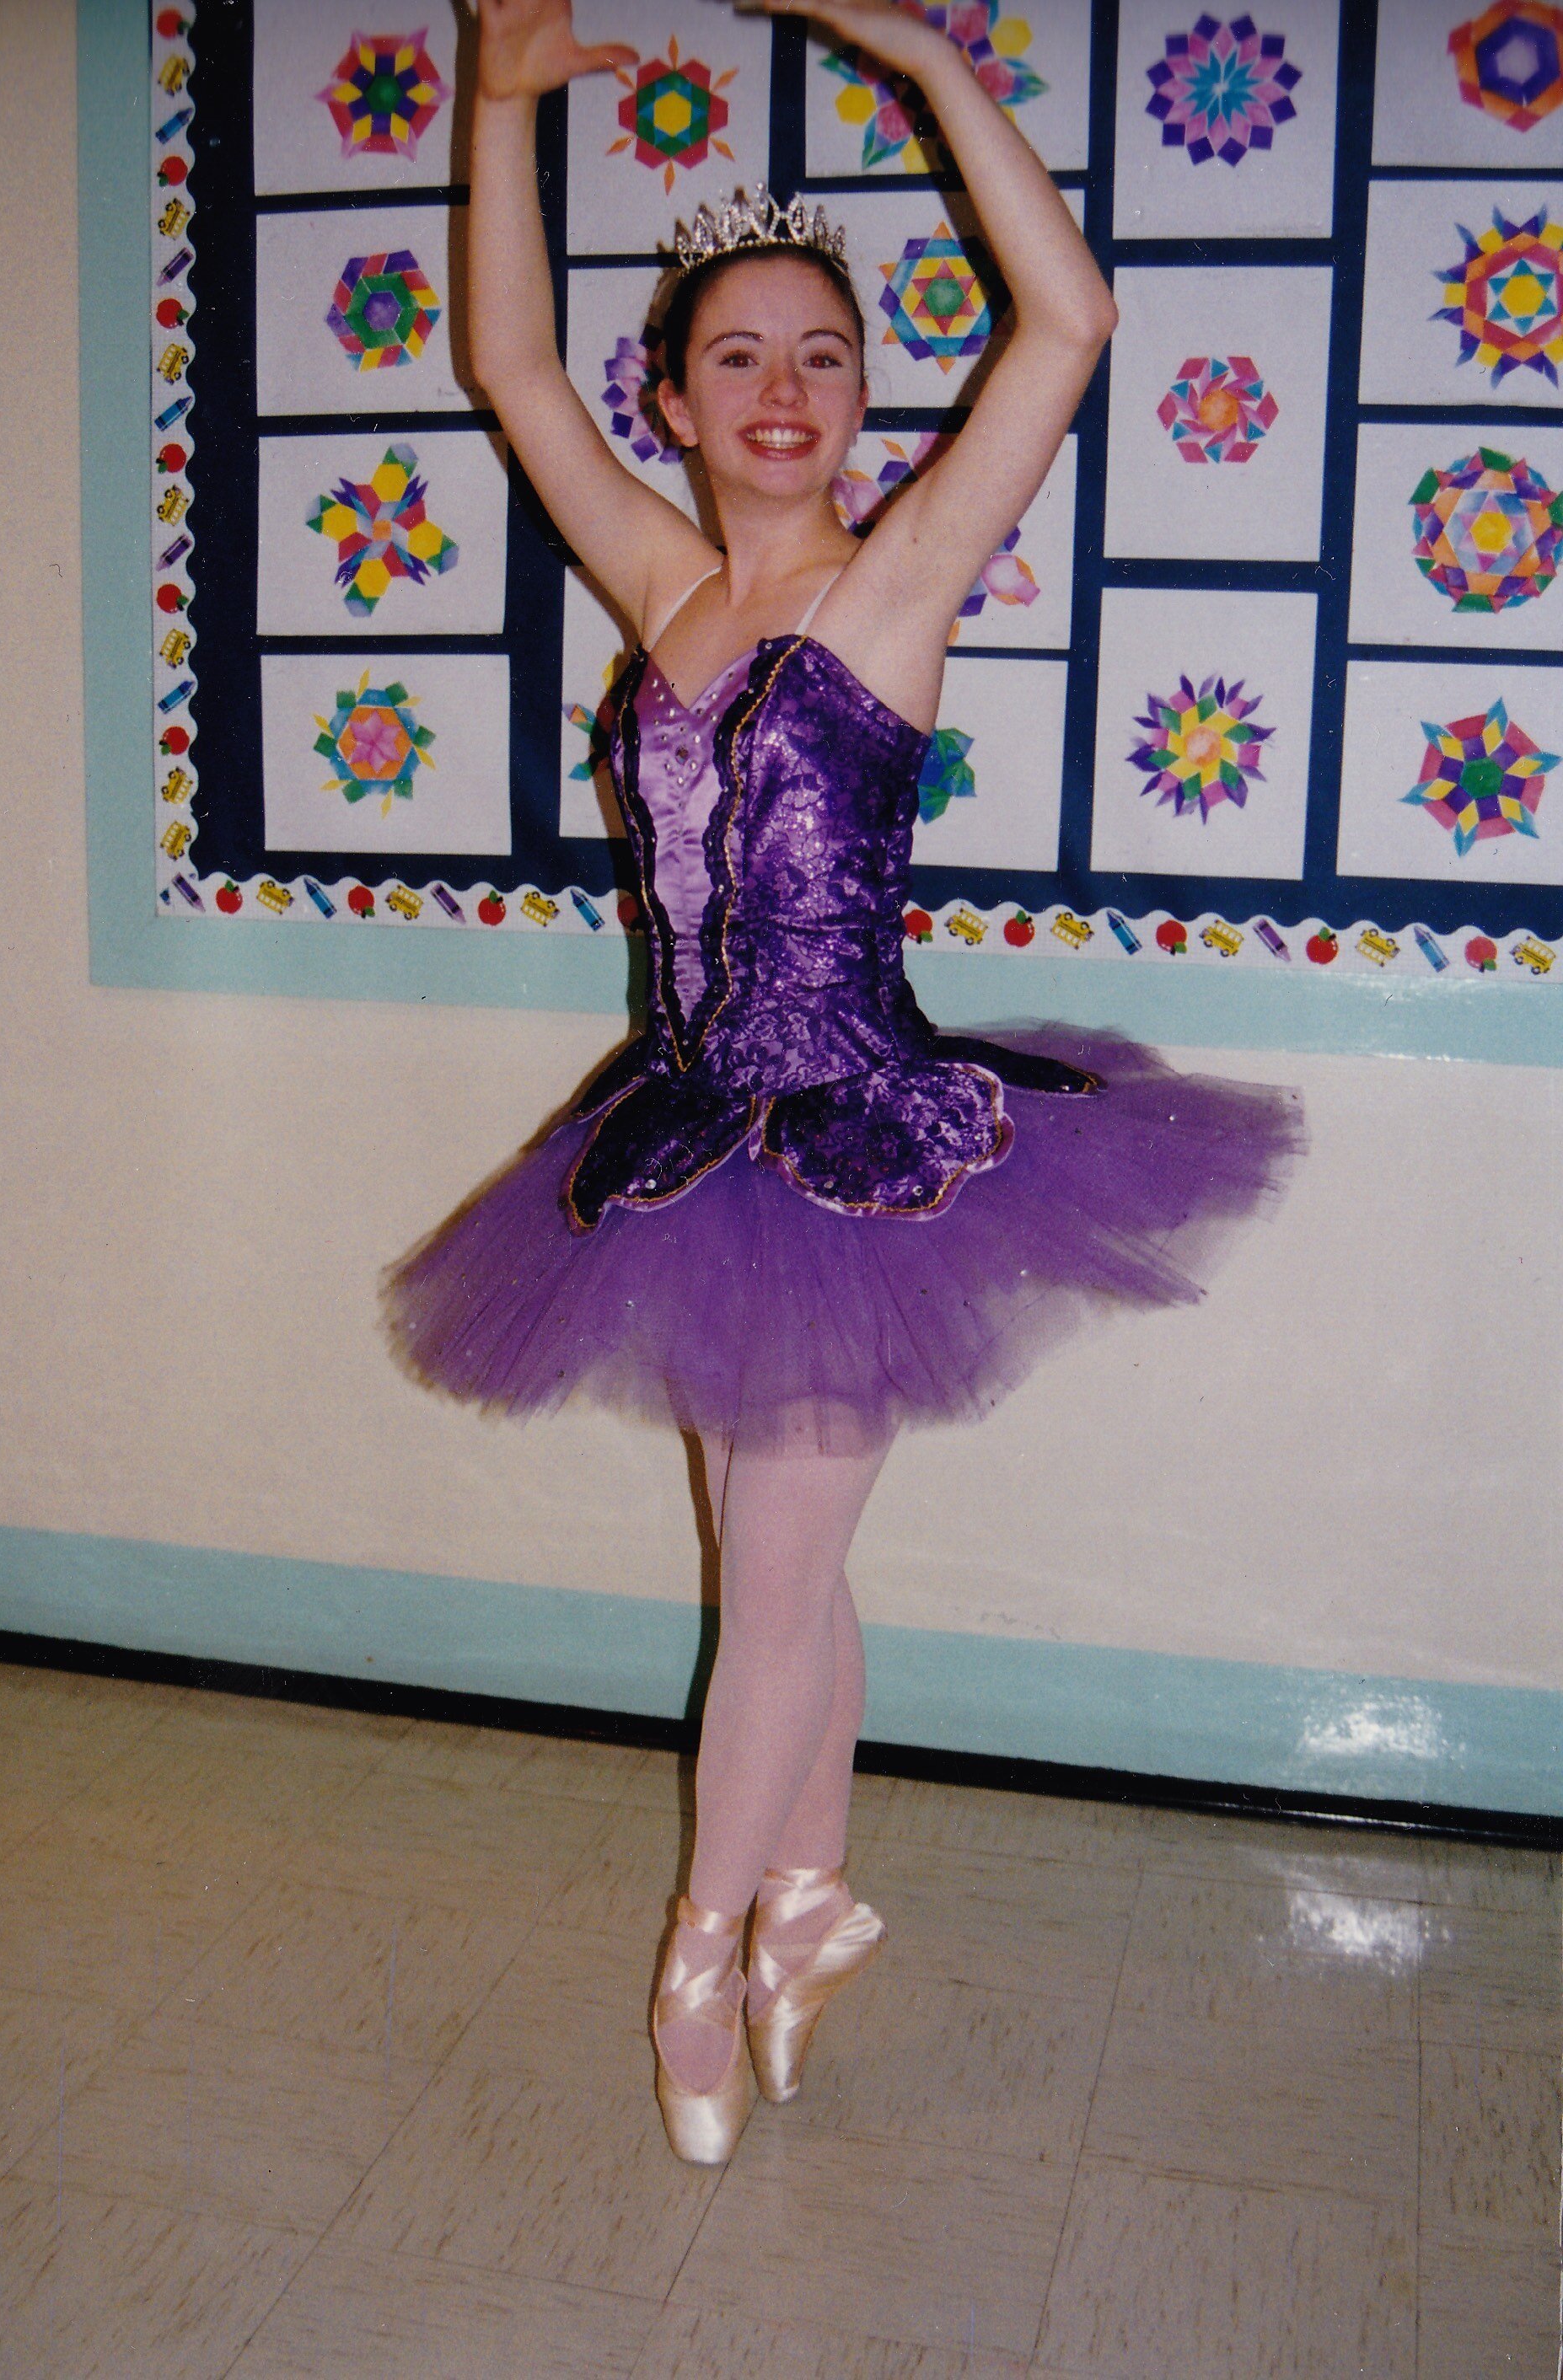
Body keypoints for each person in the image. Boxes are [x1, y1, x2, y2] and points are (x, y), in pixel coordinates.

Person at [384, 0, 1303, 2165]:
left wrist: (912, 53)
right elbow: (508, 366)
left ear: (864, 394)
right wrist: (499, 108)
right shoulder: (664, 581)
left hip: (864, 1147)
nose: (782, 388)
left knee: (776, 1586)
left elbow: (1068, 321)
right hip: (688, 1132)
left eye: (821, 353)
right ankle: (808, 1894)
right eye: (737, 356)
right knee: (773, 1566)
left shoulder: (901, 577)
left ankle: (700, 1951)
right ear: (678, 399)